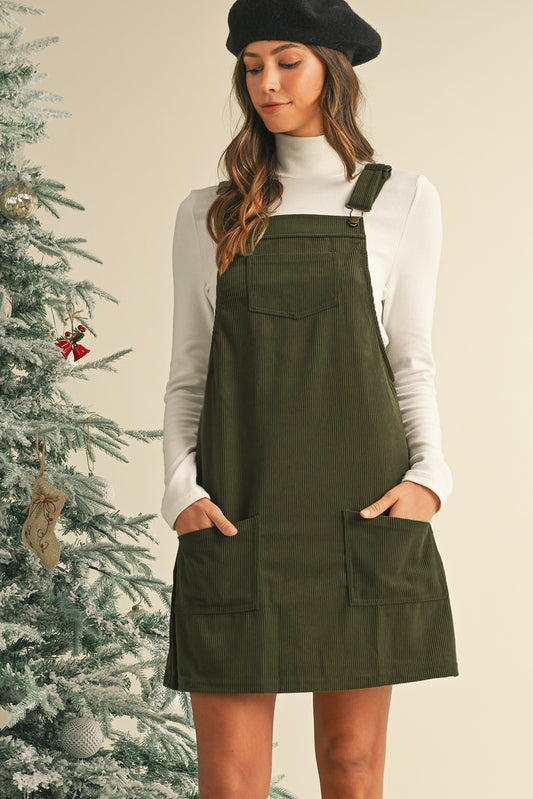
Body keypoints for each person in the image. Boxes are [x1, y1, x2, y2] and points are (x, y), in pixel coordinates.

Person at [161, 1, 459, 796]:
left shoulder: (398, 197)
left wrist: (429, 478)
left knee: (351, 765)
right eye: (251, 65)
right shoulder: (207, 210)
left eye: (287, 61)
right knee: (229, 777)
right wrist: (179, 489)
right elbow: (189, 370)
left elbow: (410, 359)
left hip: (361, 511)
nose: (266, 82)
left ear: (332, 69)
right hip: (238, 509)